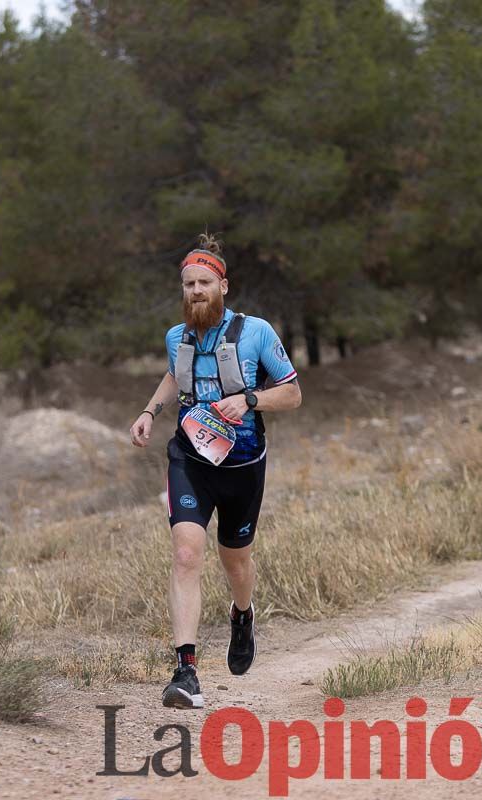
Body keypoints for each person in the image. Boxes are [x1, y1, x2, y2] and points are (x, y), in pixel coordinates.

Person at [129, 233, 302, 709]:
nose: (196, 291)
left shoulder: (257, 333)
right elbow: (173, 375)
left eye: (205, 282)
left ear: (224, 285)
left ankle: (242, 615)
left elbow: (292, 393)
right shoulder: (176, 336)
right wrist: (150, 411)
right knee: (186, 554)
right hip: (190, 459)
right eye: (188, 284)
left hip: (243, 464)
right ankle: (185, 672)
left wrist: (248, 399)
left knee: (235, 560)